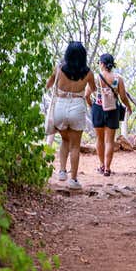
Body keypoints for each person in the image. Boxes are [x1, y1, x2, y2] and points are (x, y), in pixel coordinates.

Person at [45, 42, 96, 189]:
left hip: (60, 106)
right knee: (75, 146)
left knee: (64, 139)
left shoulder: (59, 69)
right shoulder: (88, 73)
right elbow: (92, 88)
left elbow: (48, 85)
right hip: (77, 106)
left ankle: (62, 171)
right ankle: (73, 180)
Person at [90, 53, 132, 176]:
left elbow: (87, 94)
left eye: (99, 62)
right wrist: (129, 107)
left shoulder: (97, 77)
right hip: (113, 110)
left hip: (98, 108)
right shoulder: (118, 78)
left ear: (102, 64)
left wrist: (91, 106)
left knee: (99, 139)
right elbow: (123, 97)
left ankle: (102, 166)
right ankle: (108, 169)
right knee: (109, 141)